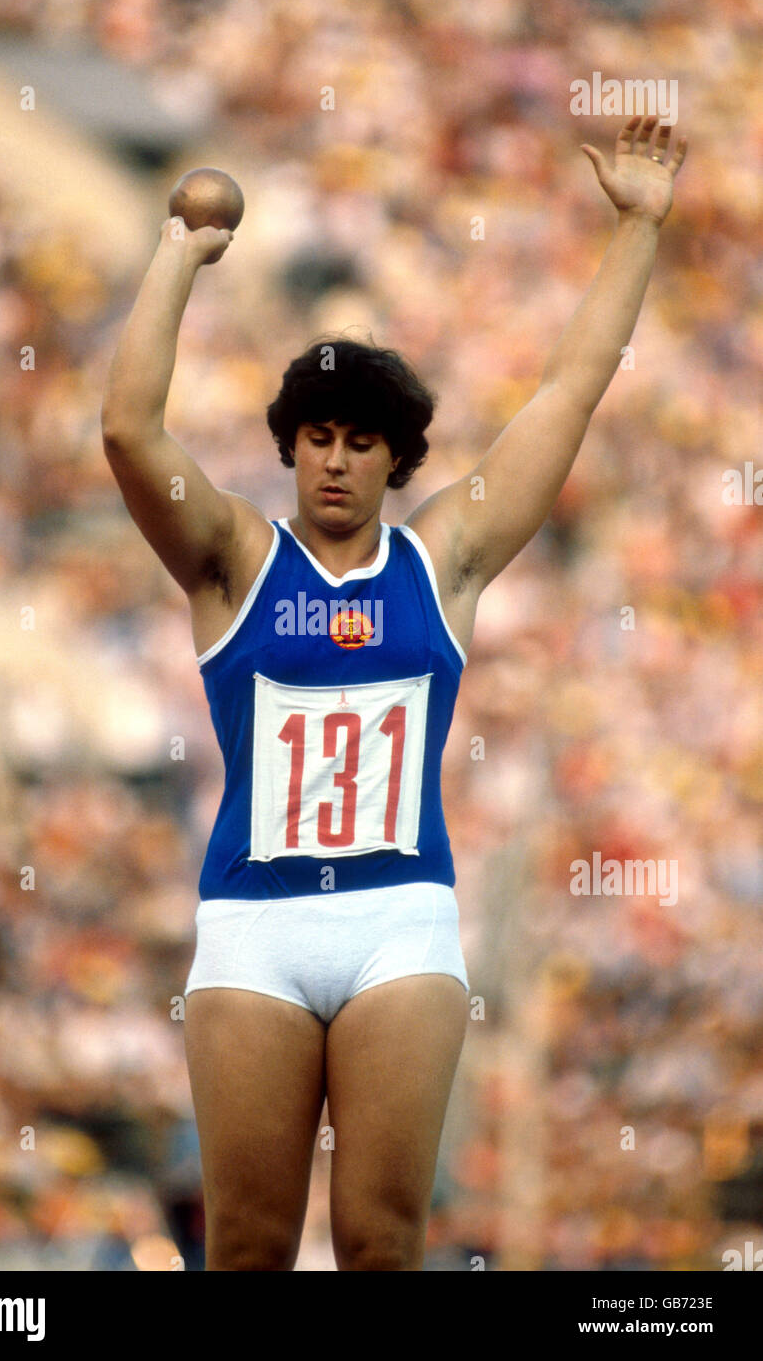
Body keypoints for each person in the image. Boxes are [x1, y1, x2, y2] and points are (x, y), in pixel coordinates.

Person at [101, 115, 687, 1270]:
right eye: (314, 435)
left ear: (394, 459)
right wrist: (177, 250)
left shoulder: (442, 562)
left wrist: (636, 228)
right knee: (250, 1246)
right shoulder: (229, 559)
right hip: (253, 923)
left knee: (380, 1241)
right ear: (289, 447)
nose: (333, 459)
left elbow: (567, 394)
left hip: (398, 919)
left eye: (359, 441)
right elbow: (127, 428)